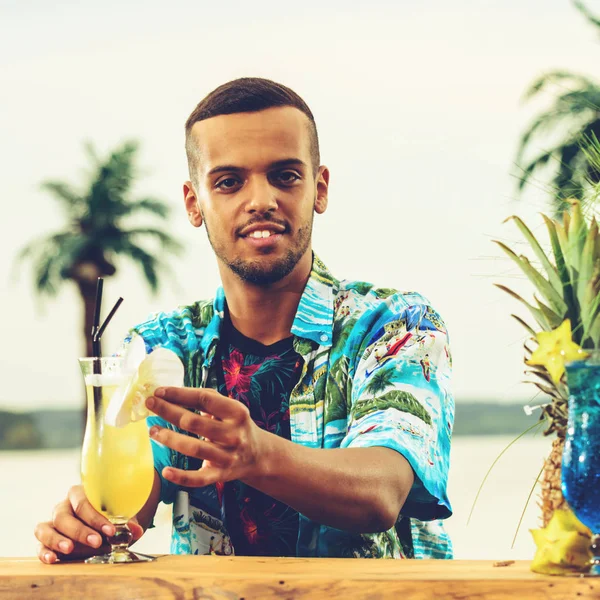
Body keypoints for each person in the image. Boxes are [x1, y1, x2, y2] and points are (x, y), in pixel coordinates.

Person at [34, 77, 454, 562]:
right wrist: (89, 525)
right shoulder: (163, 346)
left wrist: (258, 455)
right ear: (195, 204)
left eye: (285, 176)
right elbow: (134, 497)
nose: (260, 200)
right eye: (229, 181)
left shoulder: (396, 328)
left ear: (319, 189)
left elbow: (382, 492)